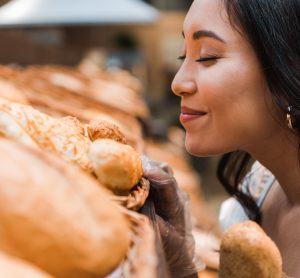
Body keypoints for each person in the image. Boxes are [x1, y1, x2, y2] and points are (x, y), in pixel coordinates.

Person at [143, 0, 300, 277]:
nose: (178, 83)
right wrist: (179, 259)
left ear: (291, 68)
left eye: (207, 57)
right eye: (184, 57)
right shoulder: (256, 189)